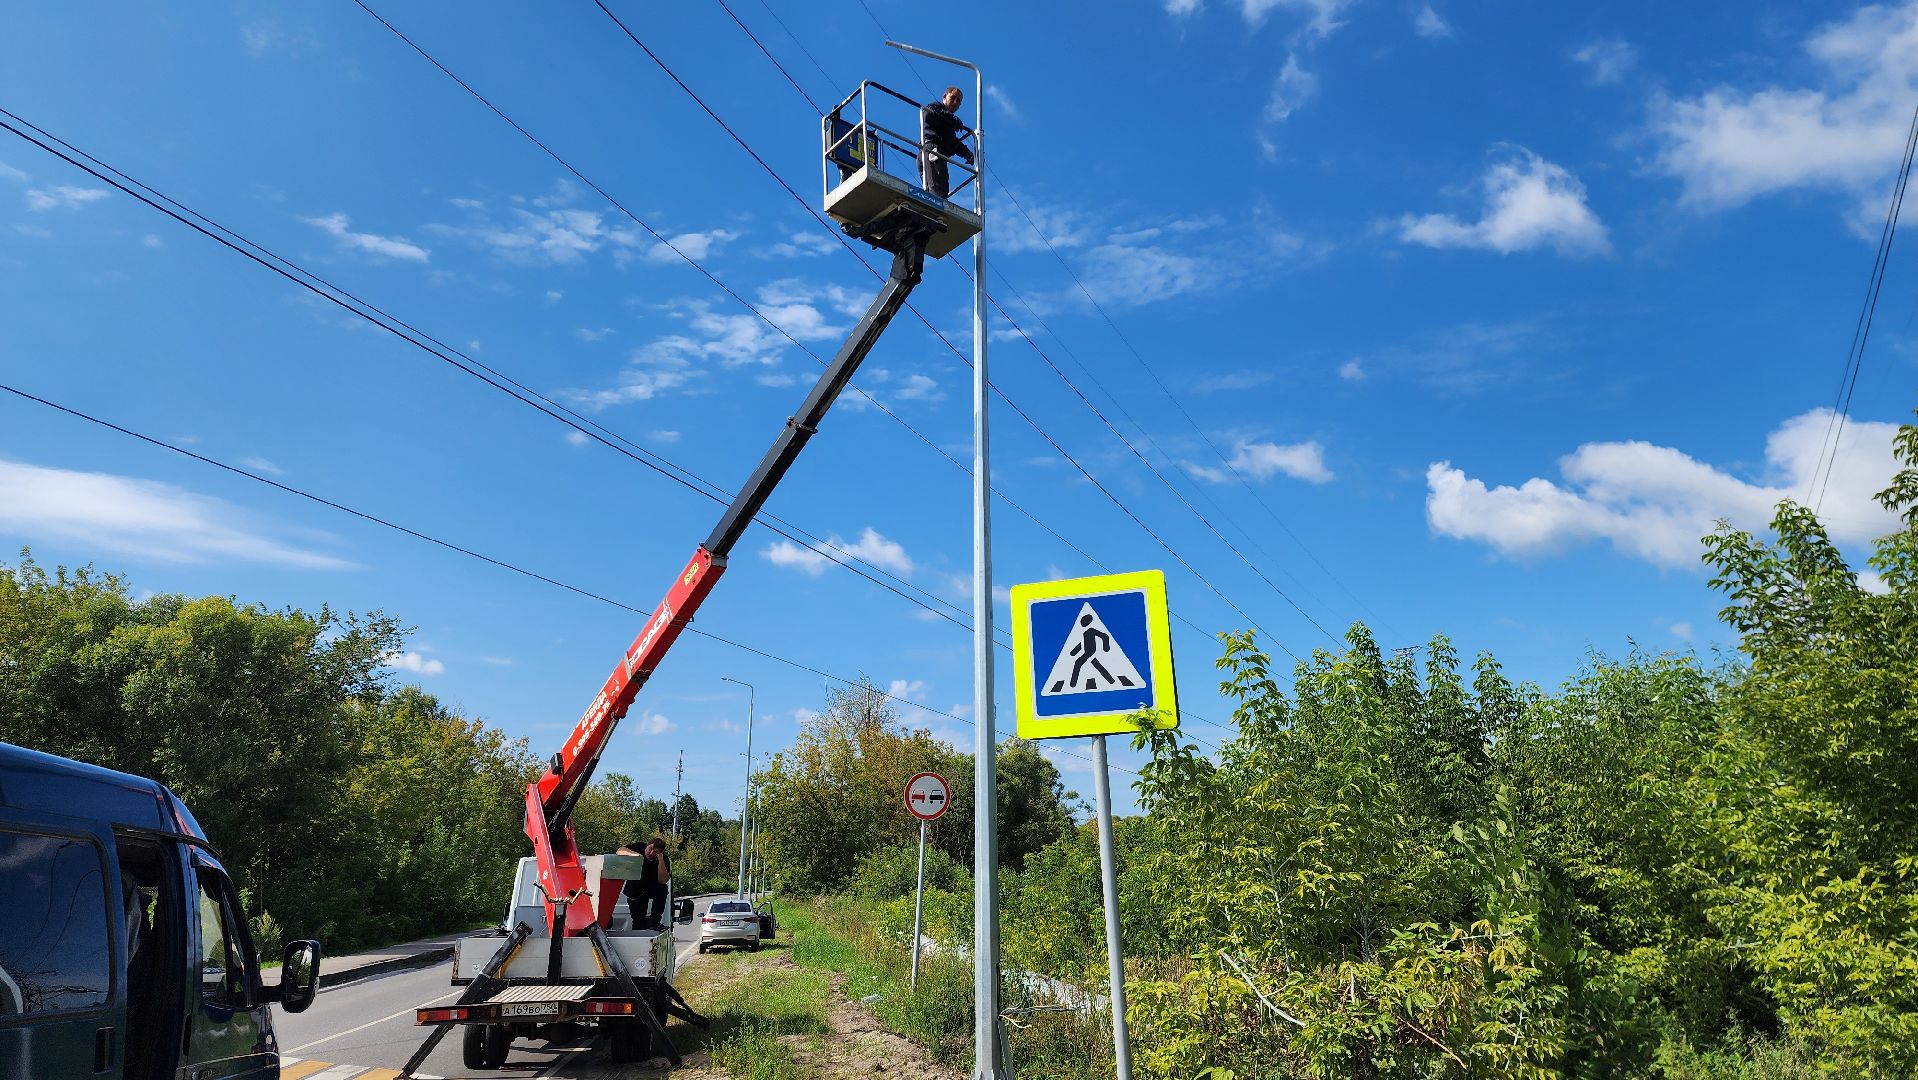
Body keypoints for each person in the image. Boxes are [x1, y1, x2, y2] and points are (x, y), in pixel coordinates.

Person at [919, 85, 973, 199]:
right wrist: (952, 119)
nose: (955, 102)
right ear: (944, 96)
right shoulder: (935, 107)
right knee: (938, 190)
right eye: (953, 98)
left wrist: (967, 153)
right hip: (932, 150)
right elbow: (930, 113)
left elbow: (952, 142)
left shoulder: (947, 124)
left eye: (958, 101)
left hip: (932, 152)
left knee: (935, 190)